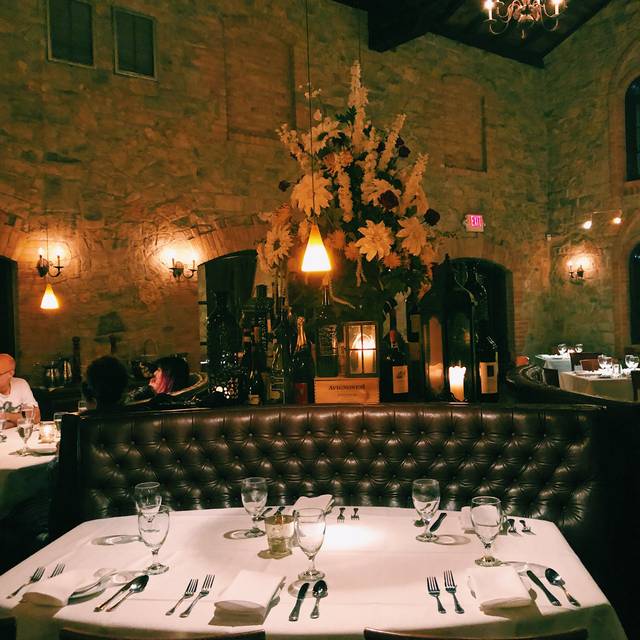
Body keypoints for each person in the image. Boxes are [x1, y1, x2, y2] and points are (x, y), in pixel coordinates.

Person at [0, 353, 40, 428]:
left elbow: (36, 418)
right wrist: (20, 420)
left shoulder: (21, 384)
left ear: (11, 373)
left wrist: (6, 416)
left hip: (19, 434)